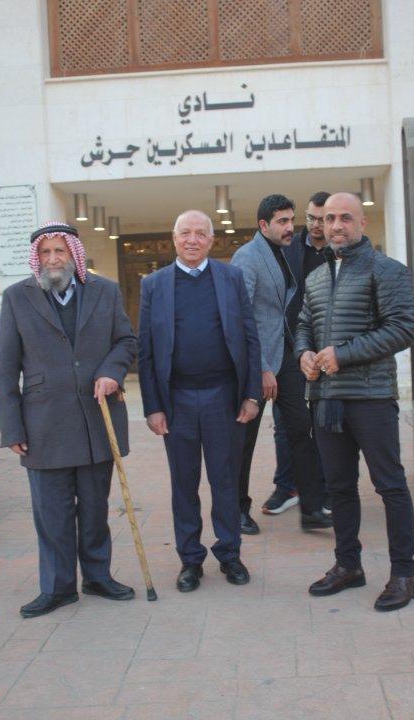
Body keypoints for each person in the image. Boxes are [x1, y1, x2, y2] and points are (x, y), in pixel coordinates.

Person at [0, 222, 137, 618]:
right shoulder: (16, 297)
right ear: (36, 258)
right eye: (45, 252)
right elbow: (5, 369)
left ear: (73, 253)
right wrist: (12, 428)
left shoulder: (105, 291)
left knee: (94, 509)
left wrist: (111, 372)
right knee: (52, 514)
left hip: (96, 419)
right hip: (43, 426)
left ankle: (97, 577)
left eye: (59, 251)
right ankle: (58, 588)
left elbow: (126, 341)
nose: (53, 259)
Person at [296, 192, 414, 611]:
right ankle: (348, 566)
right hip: (326, 399)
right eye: (329, 218)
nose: (336, 225)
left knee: (390, 486)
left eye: (345, 218)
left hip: (371, 397)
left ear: (362, 223)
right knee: (339, 489)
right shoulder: (316, 277)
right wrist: (303, 353)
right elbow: (304, 324)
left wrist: (343, 354)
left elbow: (402, 328)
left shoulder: (387, 270)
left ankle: (404, 575)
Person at [138, 210, 261, 593]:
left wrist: (252, 394)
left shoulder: (231, 278)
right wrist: (153, 406)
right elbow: (146, 350)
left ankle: (230, 554)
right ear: (174, 238)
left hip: (223, 397)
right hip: (176, 401)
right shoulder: (154, 285)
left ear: (211, 240)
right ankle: (190, 560)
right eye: (185, 233)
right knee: (184, 483)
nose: (192, 239)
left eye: (200, 233)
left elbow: (250, 338)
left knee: (225, 479)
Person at [231, 195, 332, 534]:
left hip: (286, 355)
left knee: (300, 429)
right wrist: (261, 367)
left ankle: (312, 508)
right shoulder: (247, 257)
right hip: (256, 361)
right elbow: (240, 316)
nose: (291, 227)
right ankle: (237, 510)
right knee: (245, 439)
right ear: (264, 225)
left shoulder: (284, 252)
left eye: (292, 220)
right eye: (283, 222)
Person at [263, 191, 331, 515]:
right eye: (311, 218)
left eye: (322, 219)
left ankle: (324, 489)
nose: (316, 225)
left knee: (326, 422)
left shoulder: (340, 251)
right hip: (290, 348)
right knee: (285, 423)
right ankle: (286, 486)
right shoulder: (288, 247)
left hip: (330, 349)